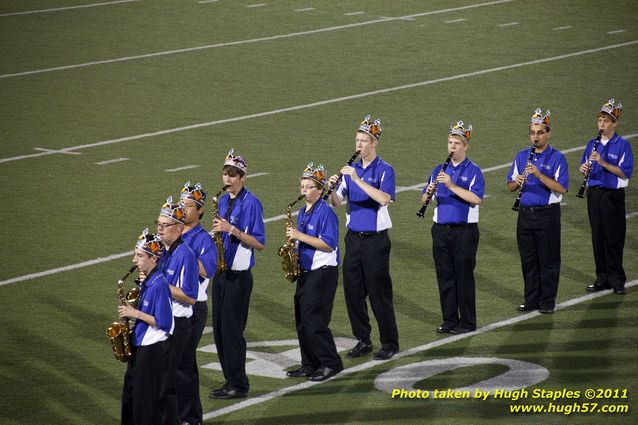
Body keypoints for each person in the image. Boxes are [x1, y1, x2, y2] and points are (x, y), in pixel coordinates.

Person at [327, 115, 399, 360]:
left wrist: (357, 179)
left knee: (379, 294)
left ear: (374, 143)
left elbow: (384, 199)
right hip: (354, 240)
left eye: (363, 141)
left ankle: (390, 342)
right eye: (357, 140)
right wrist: (332, 189)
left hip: (376, 241)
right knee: (353, 293)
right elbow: (336, 203)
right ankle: (363, 340)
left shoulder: (384, 170)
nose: (358, 145)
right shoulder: (350, 172)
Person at [209, 149, 265, 399]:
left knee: (232, 332)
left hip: (238, 277)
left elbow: (260, 243)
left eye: (233, 174)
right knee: (220, 331)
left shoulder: (251, 203)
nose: (227, 179)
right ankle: (229, 379)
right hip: (220, 273)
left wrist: (232, 229)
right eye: (225, 173)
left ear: (243, 177)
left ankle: (239, 384)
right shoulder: (221, 201)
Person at [423, 121, 484, 335]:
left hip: (464, 232)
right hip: (440, 230)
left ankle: (467, 322)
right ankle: (449, 320)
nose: (452, 147)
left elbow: (476, 199)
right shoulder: (438, 169)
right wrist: (429, 192)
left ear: (465, 146)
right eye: (450, 143)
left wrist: (451, 186)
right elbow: (424, 197)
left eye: (457, 143)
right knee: (445, 275)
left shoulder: (474, 171)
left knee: (463, 277)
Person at [285, 163, 344, 381]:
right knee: (302, 320)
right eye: (302, 186)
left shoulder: (326, 212)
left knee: (314, 320)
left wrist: (299, 236)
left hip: (323, 272)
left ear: (320, 189)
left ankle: (331, 363)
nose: (304, 191)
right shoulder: (303, 212)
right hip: (306, 272)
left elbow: (329, 244)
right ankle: (309, 363)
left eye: (309, 187)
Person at [507, 108, 568, 314]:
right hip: (525, 214)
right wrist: (517, 181)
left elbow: (562, 188)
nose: (536, 136)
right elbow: (510, 185)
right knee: (528, 260)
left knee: (548, 259)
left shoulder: (557, 158)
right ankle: (531, 299)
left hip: (547, 214)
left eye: (540, 132)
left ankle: (547, 300)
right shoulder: (522, 155)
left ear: (548, 133)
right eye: (533, 132)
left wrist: (539, 175)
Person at [120, 229, 177, 425]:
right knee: (131, 397)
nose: (135, 260)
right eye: (135, 254)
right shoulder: (148, 280)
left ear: (153, 258)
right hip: (142, 346)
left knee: (145, 403)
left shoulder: (159, 283)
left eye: (140, 255)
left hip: (153, 350)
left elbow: (165, 322)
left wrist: (134, 313)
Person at [580, 99, 634, 295]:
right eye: (600, 120)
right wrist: (584, 168)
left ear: (614, 123)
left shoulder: (622, 145)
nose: (602, 124)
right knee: (598, 237)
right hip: (594, 194)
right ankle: (602, 277)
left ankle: (617, 279)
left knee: (613, 238)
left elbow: (625, 173)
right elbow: (584, 166)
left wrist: (602, 163)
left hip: (612, 196)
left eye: (606, 121)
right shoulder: (591, 144)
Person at [155, 197, 199, 420]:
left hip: (179, 324)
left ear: (179, 228)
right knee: (163, 377)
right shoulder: (163, 251)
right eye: (158, 225)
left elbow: (191, 296)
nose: (160, 230)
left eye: (165, 225)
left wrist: (158, 283)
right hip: (163, 321)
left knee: (169, 379)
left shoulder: (186, 255)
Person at [178, 182, 217, 425]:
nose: (183, 210)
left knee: (184, 365)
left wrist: (183, 255)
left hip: (193, 309)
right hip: (171, 307)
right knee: (172, 364)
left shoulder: (203, 239)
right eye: (181, 205)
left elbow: (207, 269)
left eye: (188, 206)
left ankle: (191, 417)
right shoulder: (172, 233)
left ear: (200, 210)